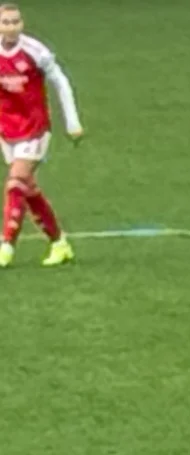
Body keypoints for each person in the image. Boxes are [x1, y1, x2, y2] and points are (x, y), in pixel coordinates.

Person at [0, 3, 80, 268]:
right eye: (6, 22)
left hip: (34, 129)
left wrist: (72, 122)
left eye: (16, 21)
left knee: (15, 182)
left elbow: (60, 81)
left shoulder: (34, 51)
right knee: (28, 190)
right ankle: (59, 243)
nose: (12, 27)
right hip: (7, 130)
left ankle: (6, 245)